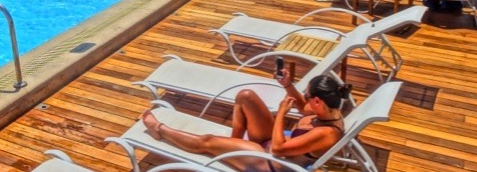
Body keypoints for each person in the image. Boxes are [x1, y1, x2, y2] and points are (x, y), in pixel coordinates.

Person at [140, 73, 350, 172]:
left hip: (273, 163)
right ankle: (232, 146)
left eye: (307, 94)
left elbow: (278, 148)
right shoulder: (327, 110)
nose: (303, 97)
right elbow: (303, 107)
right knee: (246, 95)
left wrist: (280, 116)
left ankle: (159, 130)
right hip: (272, 145)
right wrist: (288, 86)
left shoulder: (327, 133)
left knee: (207, 141)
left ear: (317, 101)